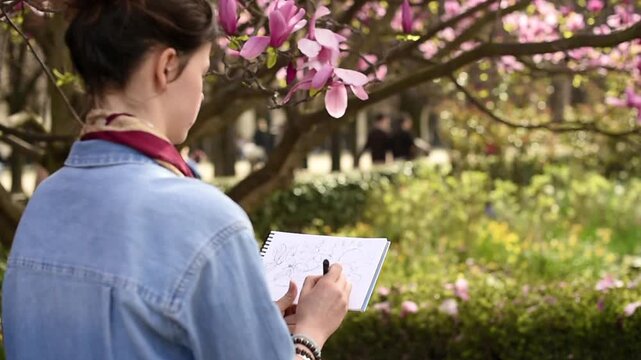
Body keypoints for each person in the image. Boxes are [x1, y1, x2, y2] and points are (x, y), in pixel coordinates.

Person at [2, 1, 351, 360]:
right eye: (201, 72)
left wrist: (251, 323)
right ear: (166, 67)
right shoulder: (207, 221)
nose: (201, 92)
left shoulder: (44, 203)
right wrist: (310, 333)